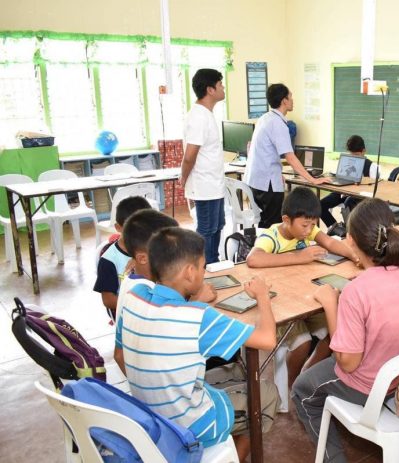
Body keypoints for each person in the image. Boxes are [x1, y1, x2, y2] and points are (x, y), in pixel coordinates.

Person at [114, 227, 278, 461]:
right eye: (202, 267)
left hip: (147, 416)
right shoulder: (198, 317)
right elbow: (267, 339)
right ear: (190, 272)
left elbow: (120, 355)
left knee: (234, 371)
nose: (203, 273)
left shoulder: (134, 296)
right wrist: (262, 295)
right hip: (187, 427)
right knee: (267, 393)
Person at [292, 198, 399, 463]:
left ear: (351, 241)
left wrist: (332, 304)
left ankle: (335, 459)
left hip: (370, 385)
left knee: (302, 390)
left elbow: (347, 362)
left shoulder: (357, 291)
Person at [246, 186, 358, 387]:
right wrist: (299, 256)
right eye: (305, 225)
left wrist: (354, 255)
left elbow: (331, 244)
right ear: (287, 220)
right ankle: (291, 382)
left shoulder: (308, 230)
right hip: (282, 305)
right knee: (303, 342)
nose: (309, 231)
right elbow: (253, 259)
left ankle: (306, 374)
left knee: (335, 332)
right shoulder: (271, 236)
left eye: (312, 225)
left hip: (305, 299)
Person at [243, 83, 330, 228]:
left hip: (256, 180)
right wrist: (312, 180)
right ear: (284, 100)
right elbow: (290, 157)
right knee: (272, 226)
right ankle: (267, 250)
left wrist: (276, 172)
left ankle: (262, 249)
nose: (292, 100)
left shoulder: (265, 118)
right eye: (290, 96)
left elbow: (259, 149)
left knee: (266, 222)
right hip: (267, 185)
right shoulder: (278, 124)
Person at [181, 68, 227, 264]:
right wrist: (184, 176)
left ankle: (214, 263)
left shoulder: (206, 114)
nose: (223, 88)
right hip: (204, 185)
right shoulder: (199, 116)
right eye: (220, 84)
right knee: (207, 229)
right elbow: (190, 155)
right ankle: (204, 268)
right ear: (210, 89)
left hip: (214, 184)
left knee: (217, 226)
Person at [93, 195, 152, 320]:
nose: (140, 233)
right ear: (118, 228)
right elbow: (108, 300)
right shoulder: (109, 260)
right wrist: (139, 305)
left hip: (153, 307)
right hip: (128, 314)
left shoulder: (155, 247)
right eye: (132, 229)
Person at [320, 135, 378, 228]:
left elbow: (374, 190)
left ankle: (350, 230)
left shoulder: (372, 166)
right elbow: (340, 175)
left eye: (357, 155)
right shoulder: (346, 161)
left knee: (348, 202)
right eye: (351, 155)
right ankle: (336, 229)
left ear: (364, 151)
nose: (354, 158)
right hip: (343, 192)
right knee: (320, 205)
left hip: (360, 197)